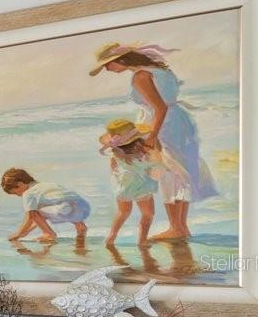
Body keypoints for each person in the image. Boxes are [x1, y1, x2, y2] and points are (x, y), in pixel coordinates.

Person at [90, 42, 217, 241]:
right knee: (179, 172)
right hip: (179, 122)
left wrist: (152, 136)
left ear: (121, 60)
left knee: (168, 172)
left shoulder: (141, 76)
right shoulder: (159, 70)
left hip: (163, 126)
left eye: (108, 65)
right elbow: (165, 105)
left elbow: (160, 108)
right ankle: (180, 226)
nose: (107, 69)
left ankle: (176, 227)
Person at [98, 118, 166, 247]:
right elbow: (156, 165)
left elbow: (113, 168)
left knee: (123, 212)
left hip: (123, 186)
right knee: (148, 214)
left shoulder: (116, 153)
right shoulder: (144, 152)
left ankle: (111, 236)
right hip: (142, 187)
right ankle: (142, 240)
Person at [1, 167, 89, 245]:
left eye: (16, 193)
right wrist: (26, 232)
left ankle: (49, 233)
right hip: (83, 207)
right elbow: (41, 218)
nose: (18, 195)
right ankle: (80, 226)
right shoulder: (46, 186)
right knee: (56, 207)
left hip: (66, 209)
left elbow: (32, 216)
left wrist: (18, 234)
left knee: (35, 212)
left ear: (20, 184)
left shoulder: (28, 193)